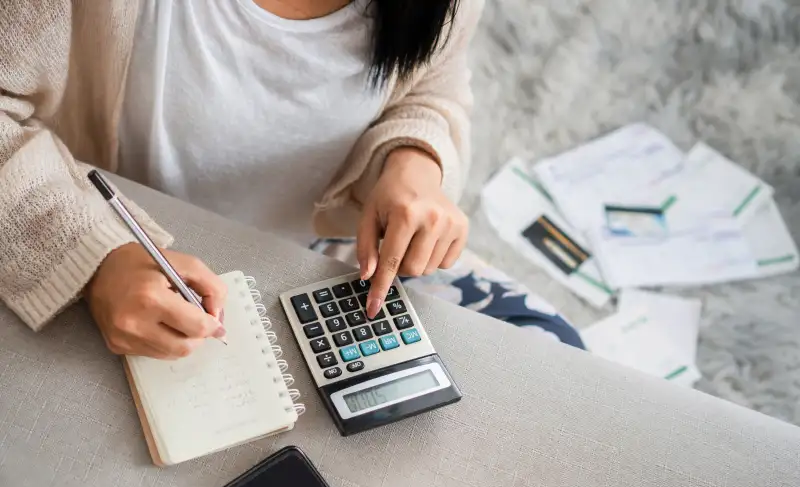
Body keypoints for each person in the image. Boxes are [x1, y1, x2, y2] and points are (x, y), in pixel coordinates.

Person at [0, 0, 582, 360]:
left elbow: (435, 84)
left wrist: (413, 162)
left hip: (321, 250)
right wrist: (95, 259)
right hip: (107, 236)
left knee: (552, 350)